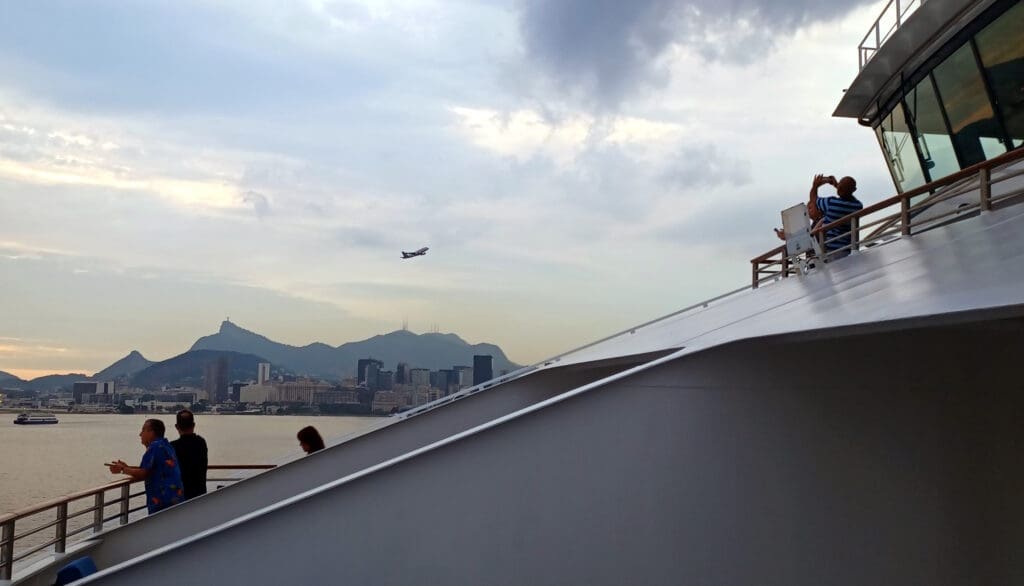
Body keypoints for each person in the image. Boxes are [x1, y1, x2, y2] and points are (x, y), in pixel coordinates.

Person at [776, 174, 863, 258]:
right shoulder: (857, 206)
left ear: (820, 210)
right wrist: (837, 185)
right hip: (848, 248)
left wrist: (815, 185)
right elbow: (848, 195)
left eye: (810, 207)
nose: (807, 209)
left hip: (832, 251)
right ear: (854, 190)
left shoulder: (830, 204)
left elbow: (813, 199)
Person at [107, 419, 184, 514]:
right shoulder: (166, 445)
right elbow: (149, 469)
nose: (140, 434)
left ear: (151, 432)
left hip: (163, 502)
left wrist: (123, 470)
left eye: (143, 430)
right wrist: (127, 467)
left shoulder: (154, 447)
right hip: (176, 498)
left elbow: (143, 473)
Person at [170, 409, 208, 501]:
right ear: (194, 425)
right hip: (200, 492)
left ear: (176, 427)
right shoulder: (201, 442)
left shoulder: (172, 447)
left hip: (181, 494)